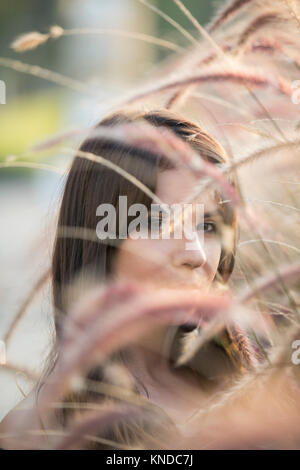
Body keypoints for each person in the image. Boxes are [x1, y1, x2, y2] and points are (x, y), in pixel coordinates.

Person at [0, 108, 258, 449]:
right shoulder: (34, 433)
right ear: (97, 239)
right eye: (156, 223)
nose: (195, 254)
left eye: (208, 226)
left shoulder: (259, 388)